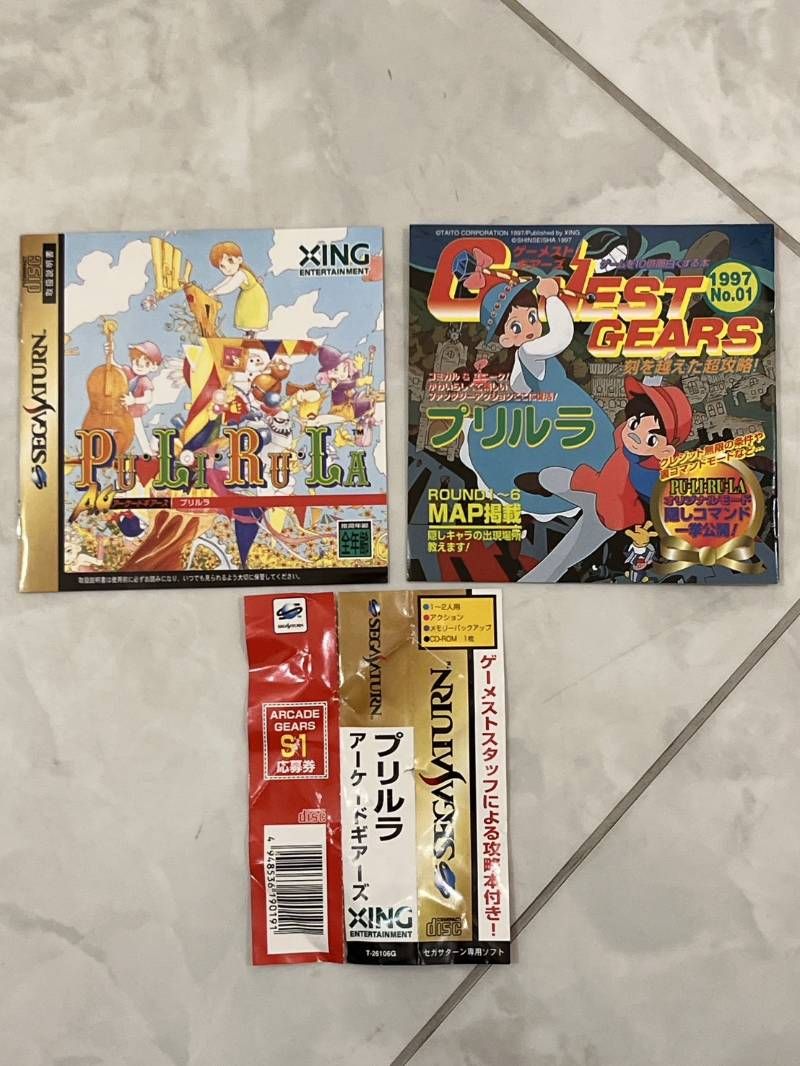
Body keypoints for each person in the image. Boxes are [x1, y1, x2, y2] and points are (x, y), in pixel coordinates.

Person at [526, 376, 693, 582]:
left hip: (606, 518)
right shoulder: (626, 436)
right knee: (550, 476)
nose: (634, 435)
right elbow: (640, 407)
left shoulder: (651, 473)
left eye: (651, 438)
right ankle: (543, 484)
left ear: (665, 451)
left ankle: (529, 585)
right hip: (594, 486)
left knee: (562, 557)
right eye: (635, 423)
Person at [208, 241, 269, 336]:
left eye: (230, 261)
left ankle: (250, 336)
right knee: (247, 319)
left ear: (239, 259)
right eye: (222, 266)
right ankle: (249, 336)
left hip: (254, 299)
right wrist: (213, 290)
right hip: (248, 298)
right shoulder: (236, 273)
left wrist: (215, 292)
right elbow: (225, 282)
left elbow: (230, 286)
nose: (227, 268)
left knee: (250, 320)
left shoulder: (241, 274)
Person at [122, 341, 163, 454]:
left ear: (153, 367)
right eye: (136, 362)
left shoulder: (144, 381)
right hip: (122, 408)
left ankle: (147, 451)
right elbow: (114, 367)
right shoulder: (129, 372)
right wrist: (109, 354)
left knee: (138, 430)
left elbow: (148, 398)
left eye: (146, 364)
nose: (140, 366)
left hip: (134, 410)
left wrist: (134, 400)